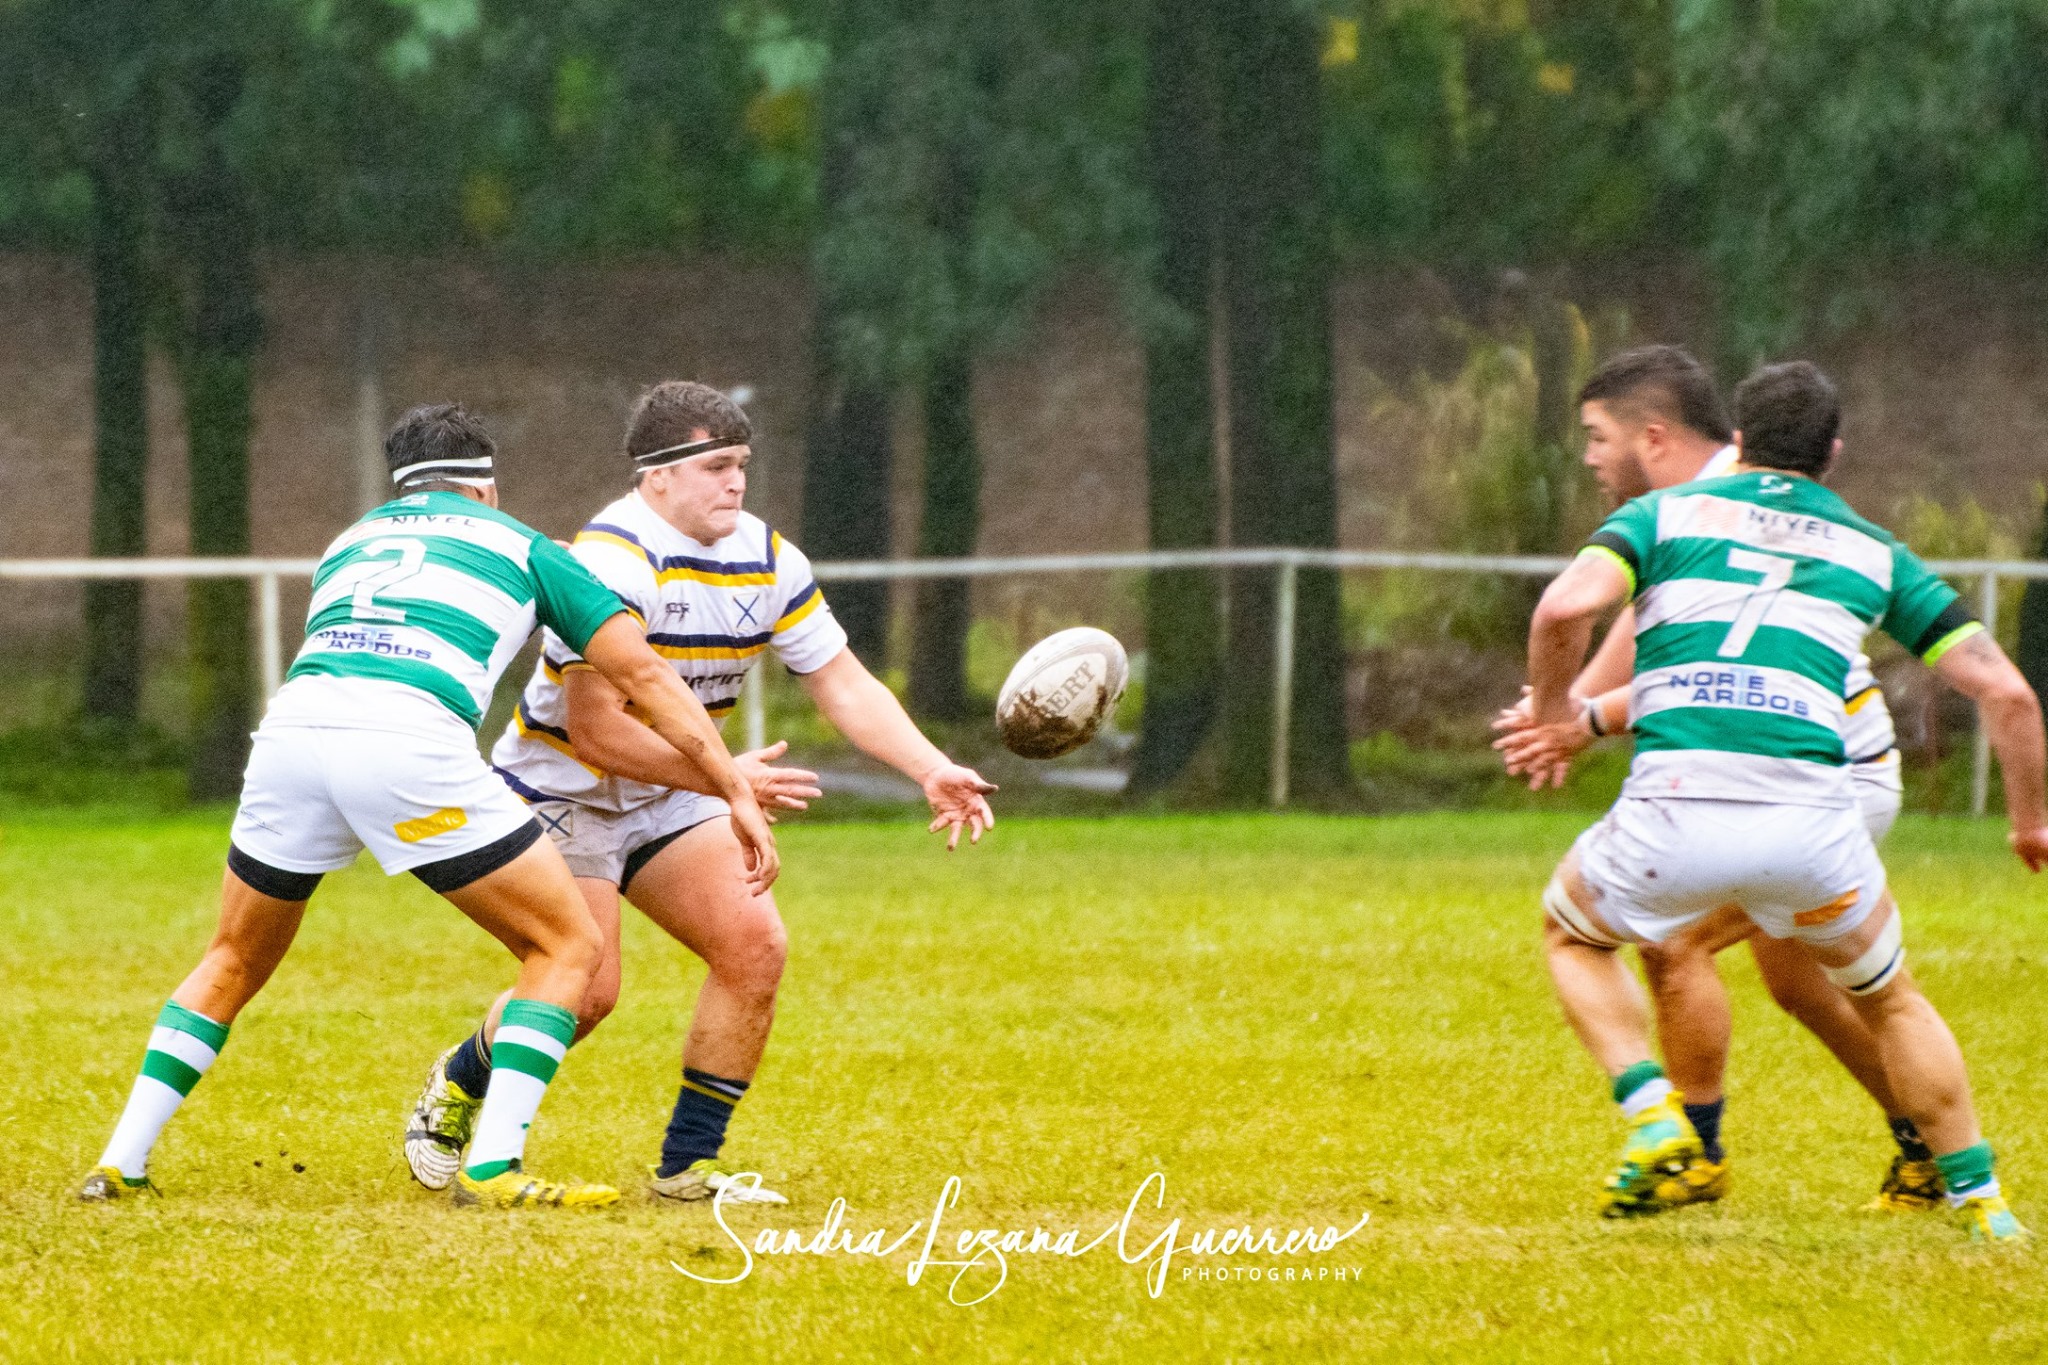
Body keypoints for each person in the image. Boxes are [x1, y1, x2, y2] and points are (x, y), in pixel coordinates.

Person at [79, 403, 777, 1211]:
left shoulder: (351, 541)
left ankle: (120, 1160)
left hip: (290, 736)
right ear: (485, 489)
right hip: (408, 740)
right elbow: (647, 678)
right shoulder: (523, 545)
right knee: (567, 946)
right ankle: (493, 1167)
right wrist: (733, 786)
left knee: (232, 955)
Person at [402, 381, 996, 1206]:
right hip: (561, 792)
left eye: (743, 464)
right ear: (657, 477)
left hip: (672, 793)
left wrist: (930, 766)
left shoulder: (769, 558)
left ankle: (689, 1166)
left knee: (754, 946)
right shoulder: (612, 557)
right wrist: (727, 776)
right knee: (590, 990)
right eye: (716, 465)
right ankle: (461, 1080)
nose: (736, 482)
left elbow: (842, 681)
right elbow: (596, 733)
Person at [1516, 360, 2045, 1241]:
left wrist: (1554, 714)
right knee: (1881, 996)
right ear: (1832, 452)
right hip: (1814, 818)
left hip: (1685, 808)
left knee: (1585, 933)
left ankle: (1661, 1119)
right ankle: (1982, 1201)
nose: (1593, 455)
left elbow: (1561, 610)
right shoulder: (1873, 550)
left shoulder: (1660, 518)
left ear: (1737, 441)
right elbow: (2011, 695)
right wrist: (2028, 819)